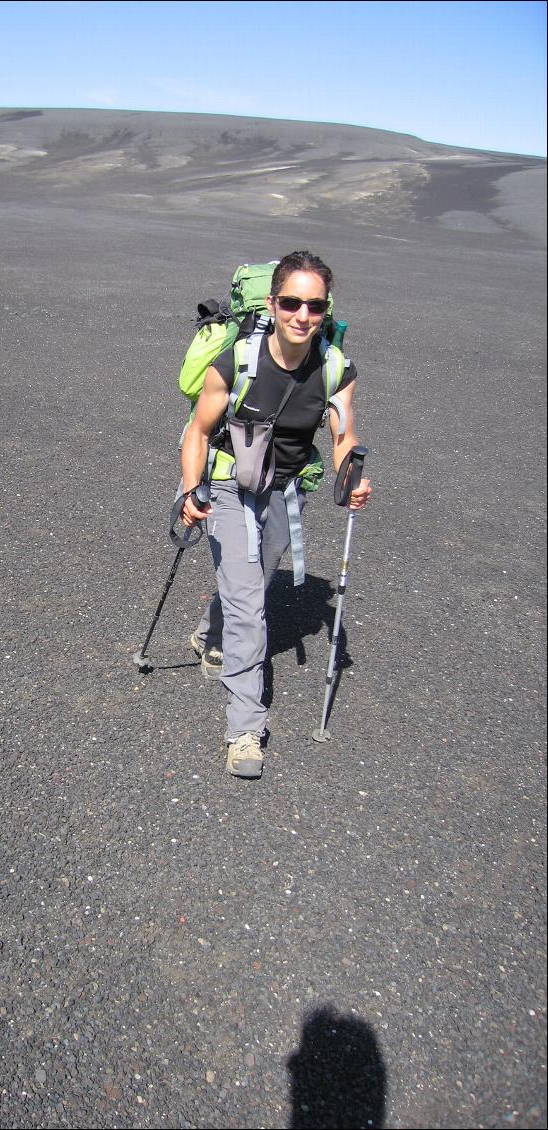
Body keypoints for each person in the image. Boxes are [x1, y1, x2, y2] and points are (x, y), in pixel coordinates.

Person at [180, 250, 372, 779]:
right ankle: (244, 727)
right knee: (249, 607)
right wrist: (192, 489)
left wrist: (350, 475)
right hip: (224, 482)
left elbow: (343, 434)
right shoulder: (236, 361)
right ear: (273, 302)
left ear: (325, 308)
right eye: (291, 302)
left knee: (253, 580)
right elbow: (197, 432)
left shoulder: (335, 368)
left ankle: (208, 632)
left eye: (314, 305)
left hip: (284, 489)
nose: (302, 315)